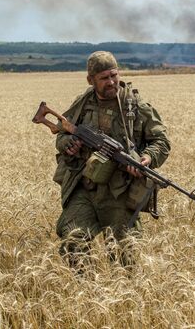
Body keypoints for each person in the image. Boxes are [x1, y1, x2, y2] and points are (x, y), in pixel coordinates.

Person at [53, 51, 171, 270]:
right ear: (90, 80)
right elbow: (61, 133)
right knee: (73, 241)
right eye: (104, 78)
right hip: (85, 186)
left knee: (124, 253)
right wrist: (67, 143)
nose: (111, 82)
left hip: (120, 189)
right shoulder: (82, 104)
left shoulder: (135, 106)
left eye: (114, 75)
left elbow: (161, 141)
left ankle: (124, 298)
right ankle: (85, 293)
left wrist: (147, 158)